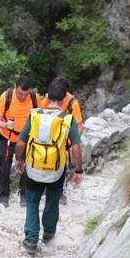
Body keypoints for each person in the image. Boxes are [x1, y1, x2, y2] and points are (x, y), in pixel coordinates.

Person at [14, 76, 83, 255]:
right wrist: (78, 170)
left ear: (48, 95)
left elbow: (21, 142)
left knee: (32, 202)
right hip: (56, 169)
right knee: (52, 201)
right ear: (64, 98)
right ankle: (49, 232)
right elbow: (76, 147)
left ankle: (31, 240)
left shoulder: (34, 115)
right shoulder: (67, 119)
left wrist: (19, 160)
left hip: (33, 168)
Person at [0, 73, 38, 206]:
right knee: (5, 166)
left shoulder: (34, 98)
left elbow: (40, 116)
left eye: (25, 94)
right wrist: (5, 125)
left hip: (26, 138)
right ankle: (4, 193)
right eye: (19, 94)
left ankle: (24, 193)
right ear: (15, 87)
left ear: (29, 91)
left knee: (26, 166)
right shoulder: (6, 96)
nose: (22, 97)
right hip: (7, 137)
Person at [37, 76, 84, 205]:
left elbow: (79, 125)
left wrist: (72, 138)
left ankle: (59, 191)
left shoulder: (72, 102)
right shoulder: (50, 98)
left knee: (61, 165)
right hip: (48, 136)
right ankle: (45, 188)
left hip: (63, 139)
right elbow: (40, 113)